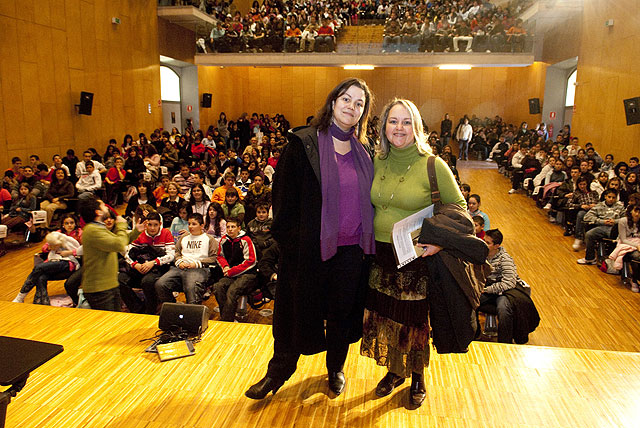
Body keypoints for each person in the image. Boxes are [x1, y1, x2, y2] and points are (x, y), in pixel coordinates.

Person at [245, 78, 375, 399]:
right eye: (346, 99)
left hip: (351, 252)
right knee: (294, 312)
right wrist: (293, 247)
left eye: (359, 103)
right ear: (332, 102)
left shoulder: (365, 151)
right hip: (309, 252)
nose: (351, 107)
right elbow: (283, 202)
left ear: (364, 112)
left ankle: (335, 368)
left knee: (342, 313)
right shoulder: (303, 145)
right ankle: (278, 373)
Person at [359, 99, 468, 408]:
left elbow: (460, 209)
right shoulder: (377, 160)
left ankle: (417, 375)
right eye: (393, 122)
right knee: (388, 316)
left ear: (417, 127)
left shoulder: (433, 165)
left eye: (406, 122)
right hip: (380, 255)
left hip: (416, 258)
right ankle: (396, 370)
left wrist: (440, 243)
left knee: (414, 320)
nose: (399, 128)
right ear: (384, 127)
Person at [78, 196, 142, 311]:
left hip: (108, 284)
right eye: (103, 205)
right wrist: (121, 225)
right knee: (106, 325)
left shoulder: (99, 228)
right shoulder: (92, 230)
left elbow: (119, 240)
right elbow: (118, 244)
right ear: (98, 212)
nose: (106, 207)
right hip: (99, 288)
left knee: (114, 322)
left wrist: (136, 231)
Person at [480, 229, 539, 343]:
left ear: (497, 245)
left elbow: (509, 283)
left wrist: (487, 290)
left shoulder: (505, 260)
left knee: (504, 309)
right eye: (483, 240)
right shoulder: (480, 254)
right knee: (466, 300)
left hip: (504, 292)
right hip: (487, 289)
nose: (484, 244)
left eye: (487, 243)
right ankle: (474, 334)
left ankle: (505, 342)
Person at [13, 215, 82, 305]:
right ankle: (42, 301)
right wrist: (51, 247)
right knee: (41, 277)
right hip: (55, 260)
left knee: (38, 268)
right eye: (66, 223)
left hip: (69, 262)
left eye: (71, 223)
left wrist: (69, 252)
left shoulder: (79, 233)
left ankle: (21, 296)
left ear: (75, 224)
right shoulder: (57, 233)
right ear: (62, 225)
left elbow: (82, 249)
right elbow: (44, 247)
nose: (69, 225)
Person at [119, 211, 175, 314]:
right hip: (139, 267)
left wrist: (153, 263)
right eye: (150, 225)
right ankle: (138, 308)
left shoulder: (166, 233)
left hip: (158, 268)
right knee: (120, 279)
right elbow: (127, 254)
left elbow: (171, 256)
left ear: (160, 225)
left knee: (147, 281)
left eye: (155, 225)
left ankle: (151, 311)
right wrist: (135, 265)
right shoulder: (141, 235)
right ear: (146, 224)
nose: (152, 228)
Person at [155, 213, 217, 305]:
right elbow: (176, 252)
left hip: (198, 269)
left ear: (202, 226)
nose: (190, 226)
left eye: (194, 224)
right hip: (180, 267)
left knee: (191, 288)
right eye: (189, 224)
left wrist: (196, 264)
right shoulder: (184, 238)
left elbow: (214, 257)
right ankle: (172, 307)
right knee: (160, 284)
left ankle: (192, 314)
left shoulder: (209, 239)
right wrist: (179, 261)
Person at [213, 217, 258, 321]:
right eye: (228, 227)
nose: (230, 229)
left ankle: (226, 321)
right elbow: (220, 256)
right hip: (230, 273)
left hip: (248, 274)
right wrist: (225, 266)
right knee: (218, 287)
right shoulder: (224, 240)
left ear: (238, 228)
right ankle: (228, 317)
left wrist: (231, 271)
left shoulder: (246, 240)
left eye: (233, 227)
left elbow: (251, 261)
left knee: (232, 291)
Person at [578, 189, 625, 265]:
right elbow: (587, 217)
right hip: (602, 227)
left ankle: (614, 260)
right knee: (589, 234)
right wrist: (601, 221)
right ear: (605, 196)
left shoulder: (620, 207)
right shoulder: (599, 206)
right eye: (609, 197)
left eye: (613, 197)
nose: (611, 199)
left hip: (616, 228)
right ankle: (590, 258)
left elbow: (626, 218)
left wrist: (615, 221)